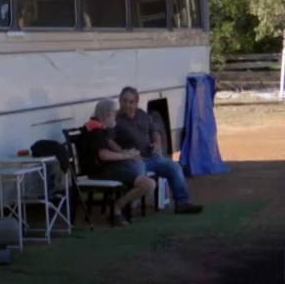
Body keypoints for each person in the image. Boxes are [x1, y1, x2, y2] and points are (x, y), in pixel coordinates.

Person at [115, 86, 204, 214]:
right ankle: (124, 208)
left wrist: (157, 143)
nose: (126, 105)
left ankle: (182, 202)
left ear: (136, 102)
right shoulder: (116, 120)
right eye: (124, 101)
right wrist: (125, 154)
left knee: (174, 167)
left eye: (130, 102)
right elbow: (110, 141)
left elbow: (154, 131)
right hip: (134, 160)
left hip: (152, 156)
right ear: (119, 100)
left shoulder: (142, 115)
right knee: (139, 174)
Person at [81, 99, 156, 226]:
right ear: (106, 114)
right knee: (148, 184)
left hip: (108, 168)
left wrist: (127, 154)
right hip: (102, 171)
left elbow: (108, 146)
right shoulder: (96, 131)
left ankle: (123, 207)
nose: (116, 115)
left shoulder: (99, 127)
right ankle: (117, 207)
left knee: (140, 168)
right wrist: (126, 156)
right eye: (114, 113)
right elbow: (104, 155)